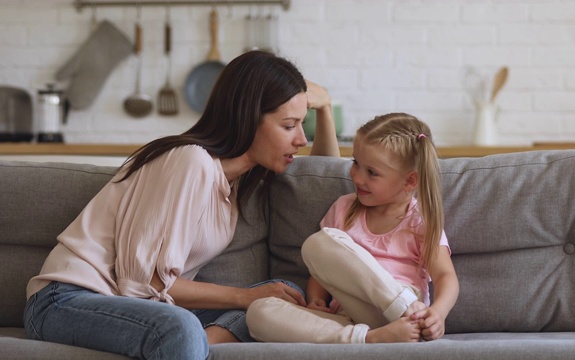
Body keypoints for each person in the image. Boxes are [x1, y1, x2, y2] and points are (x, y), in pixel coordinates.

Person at [23, 50, 340, 359]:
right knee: (183, 326)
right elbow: (144, 283)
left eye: (302, 124)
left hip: (150, 310)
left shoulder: (238, 181)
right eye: (288, 125)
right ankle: (187, 343)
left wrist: (324, 109)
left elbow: (322, 179)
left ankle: (193, 346)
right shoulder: (189, 160)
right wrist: (244, 297)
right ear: (247, 119)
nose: (301, 139)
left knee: (281, 296)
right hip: (66, 301)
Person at [247, 112, 459, 344]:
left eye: (372, 173)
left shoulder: (420, 220)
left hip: (407, 310)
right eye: (356, 163)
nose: (357, 177)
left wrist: (438, 313)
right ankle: (368, 339)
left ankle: (401, 307)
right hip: (354, 318)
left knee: (319, 242)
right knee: (259, 312)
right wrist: (316, 298)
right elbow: (323, 268)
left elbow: (445, 276)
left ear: (409, 181)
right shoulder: (344, 208)